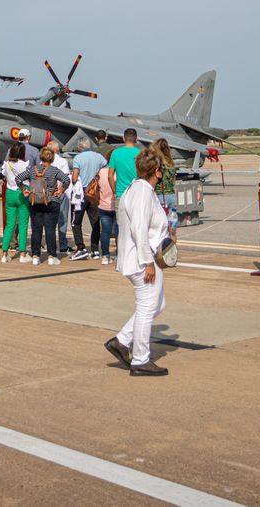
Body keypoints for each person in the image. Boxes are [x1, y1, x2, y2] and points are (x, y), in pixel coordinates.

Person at [106, 147, 170, 376]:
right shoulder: (142, 192)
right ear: (157, 171)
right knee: (146, 307)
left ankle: (122, 341)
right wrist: (148, 262)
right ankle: (141, 360)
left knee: (157, 304)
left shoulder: (135, 188)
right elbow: (139, 229)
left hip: (138, 256)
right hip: (142, 259)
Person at [22, 146, 69, 266]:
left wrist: (24, 190)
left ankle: (35, 256)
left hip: (35, 201)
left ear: (41, 157)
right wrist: (61, 190)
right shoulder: (55, 170)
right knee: (50, 229)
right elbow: (66, 180)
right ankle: (51, 256)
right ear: (52, 158)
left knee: (36, 229)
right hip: (51, 201)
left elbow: (18, 178)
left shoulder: (33, 170)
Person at [70, 139, 108, 258]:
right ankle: (95, 250)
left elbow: (75, 177)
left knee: (76, 221)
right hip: (95, 192)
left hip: (81, 193)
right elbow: (105, 170)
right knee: (95, 222)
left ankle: (81, 247)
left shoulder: (78, 158)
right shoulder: (99, 157)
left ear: (79, 147)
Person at [0, 143, 29, 262]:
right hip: (22, 192)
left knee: (9, 225)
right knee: (23, 224)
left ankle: (4, 253)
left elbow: (3, 175)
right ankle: (22, 253)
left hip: (10, 192)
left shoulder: (6, 164)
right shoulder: (25, 164)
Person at [95, 161, 118, 265]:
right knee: (119, 232)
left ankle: (105, 255)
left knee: (105, 231)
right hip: (116, 204)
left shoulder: (101, 171)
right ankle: (119, 254)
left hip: (103, 204)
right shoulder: (119, 172)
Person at [110, 128, 141, 199]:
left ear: (123, 138)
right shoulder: (140, 154)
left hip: (121, 194)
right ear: (136, 139)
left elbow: (110, 176)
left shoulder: (115, 153)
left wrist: (114, 192)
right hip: (136, 194)